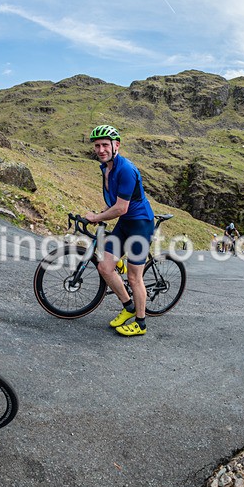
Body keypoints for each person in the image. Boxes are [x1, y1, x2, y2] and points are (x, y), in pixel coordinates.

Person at [85, 125, 155, 337]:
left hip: (140, 224)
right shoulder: (105, 167)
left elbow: (121, 207)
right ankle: (128, 307)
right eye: (97, 145)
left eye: (105, 145)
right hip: (125, 223)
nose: (100, 149)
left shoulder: (126, 169)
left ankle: (140, 323)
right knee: (105, 267)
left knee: (134, 278)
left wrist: (97, 217)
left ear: (116, 146)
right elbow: (115, 202)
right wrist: (101, 212)